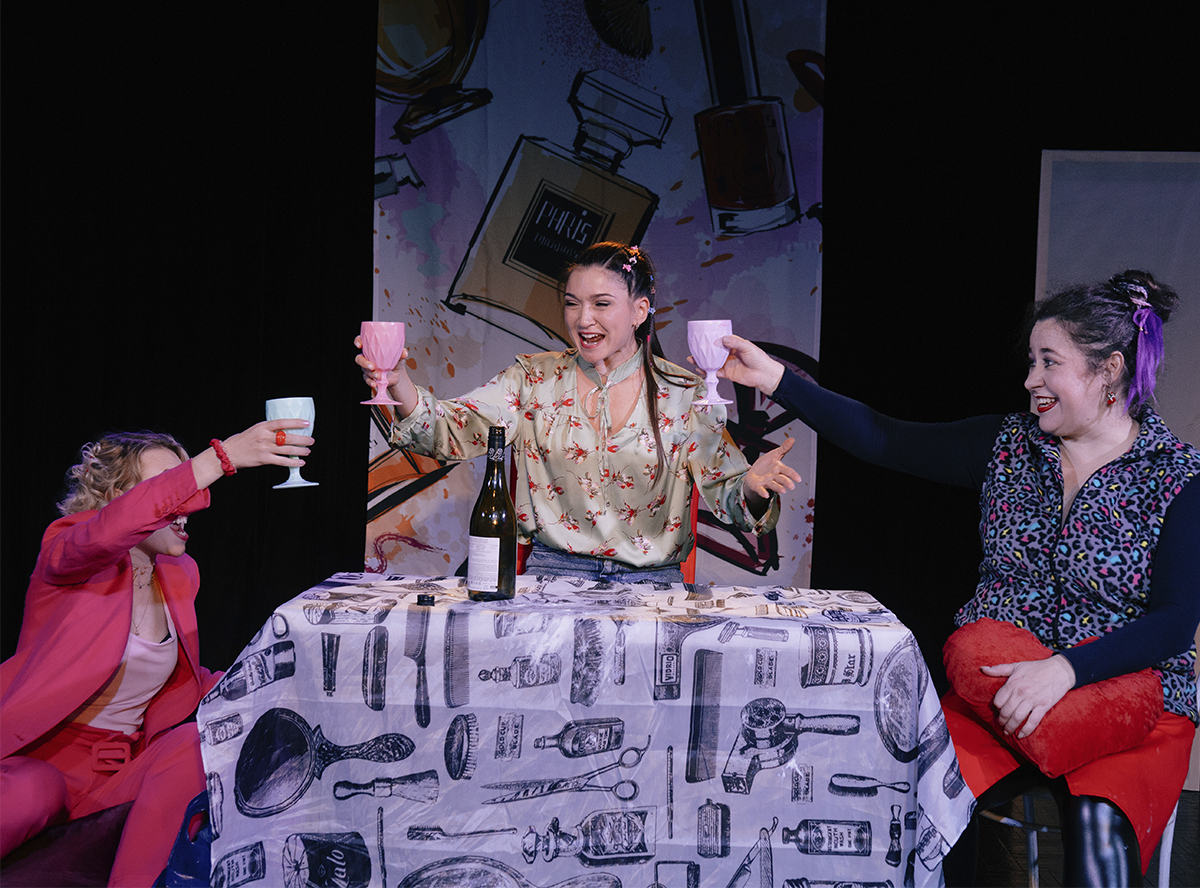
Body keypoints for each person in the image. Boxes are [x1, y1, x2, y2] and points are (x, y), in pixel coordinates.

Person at [716, 270, 1199, 885]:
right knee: (927, 807)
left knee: (1099, 827)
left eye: (1049, 362)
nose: (1030, 380)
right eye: (1031, 361)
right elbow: (883, 438)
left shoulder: (1178, 476)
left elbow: (1174, 622)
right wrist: (779, 380)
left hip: (1127, 700)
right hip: (1000, 692)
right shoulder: (1006, 446)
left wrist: (1065, 670)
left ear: (1108, 371)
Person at [355, 241, 800, 583]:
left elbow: (732, 497)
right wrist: (397, 381)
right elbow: (449, 430)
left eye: (601, 304)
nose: (583, 319)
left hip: (652, 589)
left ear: (640, 311)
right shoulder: (533, 379)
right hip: (553, 579)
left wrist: (754, 487)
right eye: (572, 303)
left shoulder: (683, 393)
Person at [1, 420, 314, 886]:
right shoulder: (67, 551)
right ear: (117, 497)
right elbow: (107, 533)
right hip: (34, 765)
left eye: (184, 482)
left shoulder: (180, 573)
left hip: (116, 773)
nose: (189, 500)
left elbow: (184, 679)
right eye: (169, 485)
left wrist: (282, 682)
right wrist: (221, 458)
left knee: (193, 745)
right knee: (34, 791)